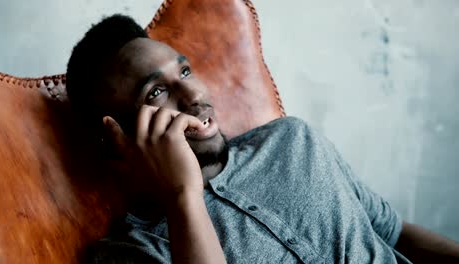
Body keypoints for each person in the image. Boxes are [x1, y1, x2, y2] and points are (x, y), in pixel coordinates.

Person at [66, 15, 459, 264]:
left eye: (184, 72)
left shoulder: (293, 141)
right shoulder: (131, 253)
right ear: (116, 139)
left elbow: (393, 233)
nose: (194, 96)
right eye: (156, 93)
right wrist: (183, 195)